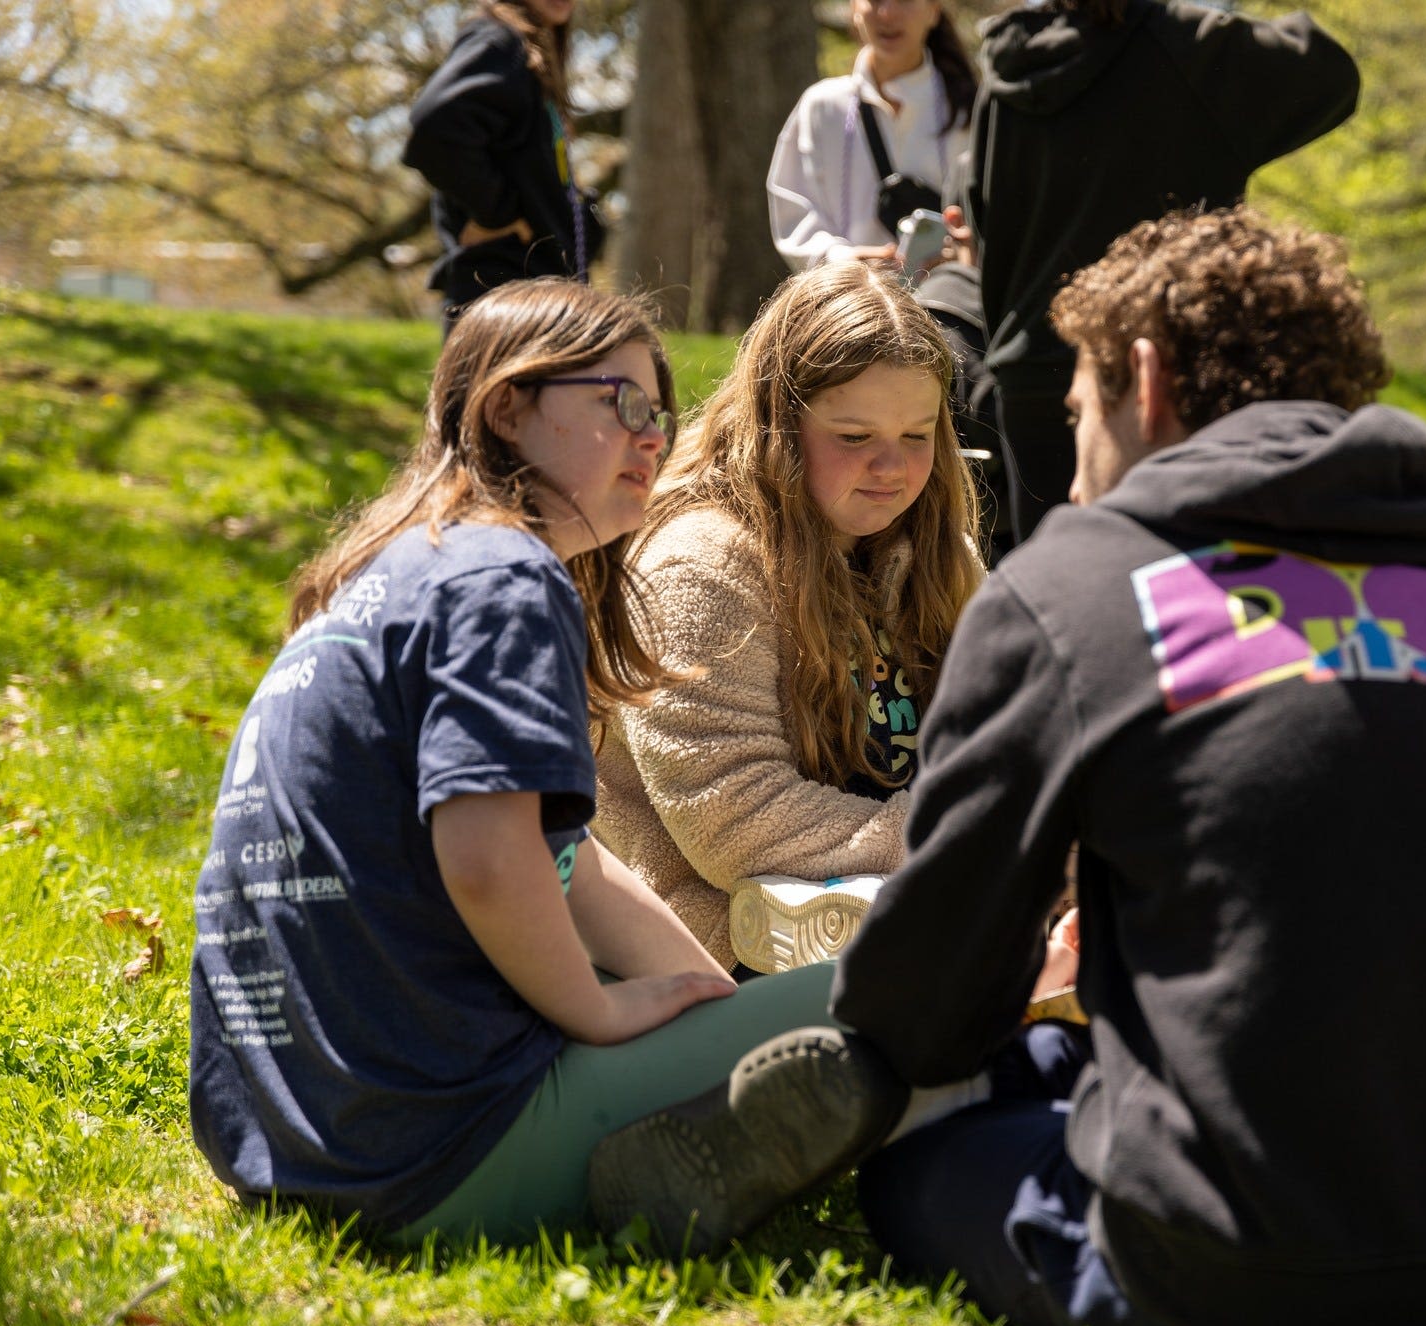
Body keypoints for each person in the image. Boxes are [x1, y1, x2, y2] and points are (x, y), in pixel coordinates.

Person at [599, 209, 1426, 1326]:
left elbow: (932, 990)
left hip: (1235, 1281)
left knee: (926, 1145)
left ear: (1141, 382)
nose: (1076, 455)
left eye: (1073, 411)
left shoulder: (1085, 585)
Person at [187, 279, 845, 1245]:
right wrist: (600, 1012)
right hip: (446, 1152)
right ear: (507, 407)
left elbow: (564, 858)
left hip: (290, 1155)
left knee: (796, 1017)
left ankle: (694, 1142)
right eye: (620, 402)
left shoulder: (388, 578)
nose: (654, 437)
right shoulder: (505, 575)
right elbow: (491, 861)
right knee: (920, 990)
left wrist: (705, 1006)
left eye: (660, 413)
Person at [592, 263, 985, 974]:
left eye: (918, 435)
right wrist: (965, 832)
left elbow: (1001, 734)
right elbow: (734, 819)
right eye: (855, 437)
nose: (892, 468)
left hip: (910, 898)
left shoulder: (933, 550)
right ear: (778, 421)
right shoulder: (697, 565)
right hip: (721, 951)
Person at [964, 0, 1360, 543]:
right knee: (1172, 593)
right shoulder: (1188, 47)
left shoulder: (1008, 66)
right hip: (1161, 383)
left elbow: (983, 217)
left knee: (1061, 597)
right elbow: (1328, 70)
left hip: (1029, 376)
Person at [404, 0, 605, 331]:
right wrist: (498, 214)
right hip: (502, 305)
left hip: (533, 301)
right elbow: (435, 129)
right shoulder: (499, 41)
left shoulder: (528, 51)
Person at [767, 0, 977, 272]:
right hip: (852, 307)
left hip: (944, 307)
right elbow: (793, 211)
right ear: (854, 9)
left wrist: (962, 258)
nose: (887, 13)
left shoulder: (968, 110)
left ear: (934, 10)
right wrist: (838, 260)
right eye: (874, 0)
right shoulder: (822, 106)